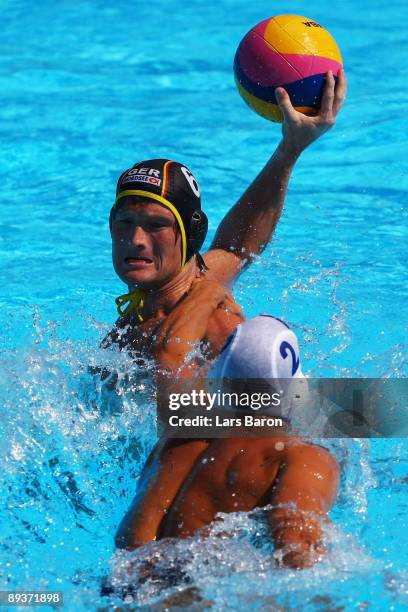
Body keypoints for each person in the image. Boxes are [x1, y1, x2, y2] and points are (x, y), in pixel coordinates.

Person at [114, 278, 340, 570]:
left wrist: (209, 288)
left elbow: (168, 354)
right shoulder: (304, 458)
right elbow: (296, 546)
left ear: (217, 379)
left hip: (121, 586)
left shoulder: (172, 442)